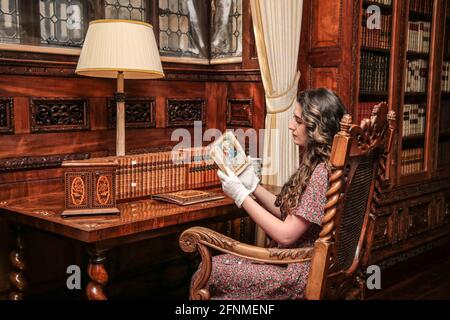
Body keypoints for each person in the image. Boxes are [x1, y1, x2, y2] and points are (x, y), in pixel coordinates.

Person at [191, 88, 346, 300]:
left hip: (297, 271)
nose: (292, 126)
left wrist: (240, 196)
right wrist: (253, 185)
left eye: (298, 121)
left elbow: (286, 234)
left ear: (316, 127)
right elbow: (290, 214)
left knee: (207, 270)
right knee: (216, 268)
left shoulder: (321, 173)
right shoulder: (323, 163)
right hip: (302, 263)